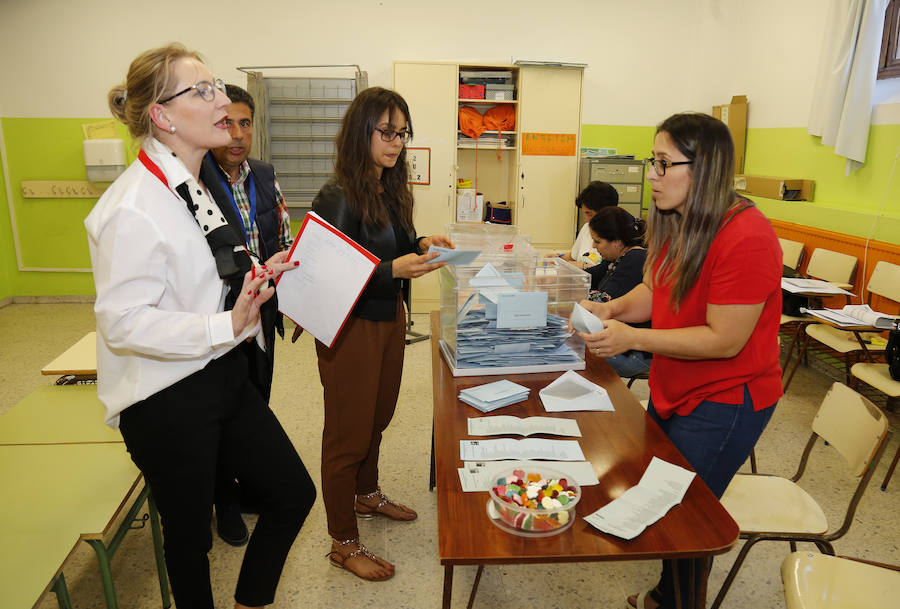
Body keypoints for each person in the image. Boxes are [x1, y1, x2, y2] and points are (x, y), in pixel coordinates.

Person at [86, 44, 315, 609]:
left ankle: (249, 601)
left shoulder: (192, 184)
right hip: (165, 397)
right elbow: (122, 323)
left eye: (217, 85)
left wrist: (262, 273)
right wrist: (222, 326)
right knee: (189, 544)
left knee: (291, 494)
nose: (221, 101)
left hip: (220, 370)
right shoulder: (133, 206)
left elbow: (203, 272)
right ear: (162, 116)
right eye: (203, 91)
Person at [573, 112, 782, 609]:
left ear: (704, 168)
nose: (652, 175)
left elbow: (724, 340)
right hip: (678, 386)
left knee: (686, 517)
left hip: (725, 400)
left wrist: (631, 340)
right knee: (669, 500)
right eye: (653, 161)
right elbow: (655, 291)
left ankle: (678, 602)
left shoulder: (746, 236)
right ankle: (668, 595)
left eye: (665, 164)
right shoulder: (677, 222)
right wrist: (612, 309)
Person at [304, 86, 453, 582]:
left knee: (379, 416)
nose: (396, 142)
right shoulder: (336, 194)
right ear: (360, 131)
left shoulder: (388, 187)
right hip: (350, 328)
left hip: (387, 318)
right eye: (386, 132)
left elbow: (394, 245)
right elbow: (326, 275)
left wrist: (423, 244)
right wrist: (395, 270)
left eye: (402, 133)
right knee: (346, 435)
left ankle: (367, 494)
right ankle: (342, 543)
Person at [205, 83, 293, 547]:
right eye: (226, 123)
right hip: (220, 318)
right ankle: (223, 502)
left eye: (245, 123)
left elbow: (281, 237)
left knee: (257, 399)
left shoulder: (264, 174)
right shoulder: (195, 178)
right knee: (223, 409)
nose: (236, 134)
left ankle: (245, 486)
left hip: (264, 312)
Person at [584, 206, 651, 377]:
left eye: (597, 241)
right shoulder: (616, 258)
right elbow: (590, 277)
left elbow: (605, 301)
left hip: (637, 354)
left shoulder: (635, 260)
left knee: (579, 353)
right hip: (624, 343)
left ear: (617, 241)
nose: (593, 246)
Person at [548, 180, 618, 269]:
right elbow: (574, 256)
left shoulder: (617, 237)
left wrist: (582, 265)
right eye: (585, 213)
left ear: (606, 212)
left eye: (590, 214)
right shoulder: (587, 228)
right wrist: (557, 257)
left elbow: (607, 270)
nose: (587, 220)